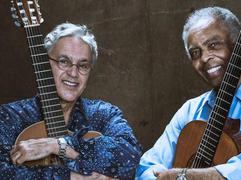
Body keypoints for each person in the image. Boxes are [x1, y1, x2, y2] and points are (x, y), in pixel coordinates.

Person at [136, 6, 241, 180]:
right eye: (195, 53)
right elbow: (146, 167)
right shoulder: (190, 110)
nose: (204, 58)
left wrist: (181, 175)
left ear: (237, 46)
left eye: (213, 45)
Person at [0, 22, 142, 179]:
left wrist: (57, 145)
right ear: (46, 64)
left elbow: (130, 158)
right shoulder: (9, 117)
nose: (73, 73)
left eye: (83, 65)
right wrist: (73, 176)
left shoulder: (104, 114)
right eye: (63, 61)